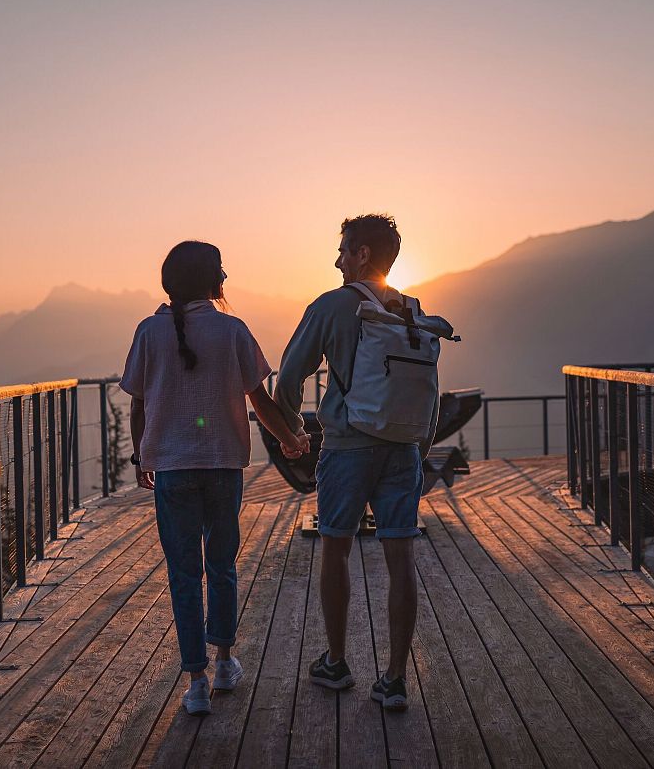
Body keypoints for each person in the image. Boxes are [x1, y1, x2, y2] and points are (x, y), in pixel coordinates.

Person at [119, 241, 309, 716]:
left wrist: (143, 455)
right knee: (221, 564)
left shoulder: (148, 332)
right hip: (223, 465)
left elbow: (138, 403)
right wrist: (288, 437)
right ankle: (225, 662)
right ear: (213, 281)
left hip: (171, 470)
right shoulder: (232, 331)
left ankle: (196, 683)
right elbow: (259, 401)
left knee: (184, 575)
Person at [275, 214, 427, 711]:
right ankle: (396, 678)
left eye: (344, 249)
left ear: (362, 254)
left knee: (336, 548)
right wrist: (413, 445)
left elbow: (288, 379)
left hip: (346, 447)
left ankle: (337, 663)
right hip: (403, 447)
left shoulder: (333, 306)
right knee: (400, 555)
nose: (337, 258)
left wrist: (295, 430)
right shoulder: (409, 308)